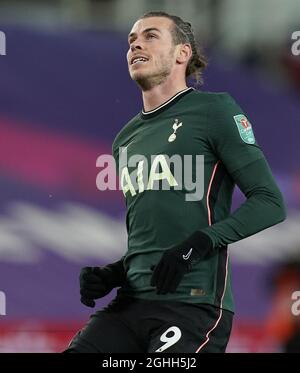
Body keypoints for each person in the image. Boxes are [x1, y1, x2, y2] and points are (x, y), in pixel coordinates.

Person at [65, 11, 286, 353]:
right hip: (129, 306)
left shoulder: (215, 111)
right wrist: (114, 274)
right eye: (131, 40)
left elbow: (270, 202)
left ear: (182, 53)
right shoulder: (125, 140)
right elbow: (156, 236)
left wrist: (200, 242)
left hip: (192, 306)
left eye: (150, 35)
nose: (136, 43)